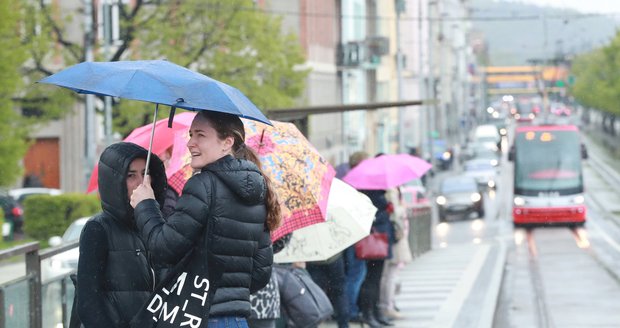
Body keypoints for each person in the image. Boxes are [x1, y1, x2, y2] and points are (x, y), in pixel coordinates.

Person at [130, 110, 282, 328]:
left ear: (226, 142)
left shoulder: (203, 185)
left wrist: (146, 205)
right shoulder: (258, 192)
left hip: (197, 317)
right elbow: (259, 273)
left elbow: (163, 248)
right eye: (191, 134)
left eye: (200, 135)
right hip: (236, 321)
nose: (191, 143)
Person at [76, 142, 168, 327]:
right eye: (130, 175)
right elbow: (88, 303)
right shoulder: (98, 229)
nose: (141, 182)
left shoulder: (155, 225)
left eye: (145, 173)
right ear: (114, 181)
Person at [341, 151, 369, 324]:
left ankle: (350, 309)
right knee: (355, 274)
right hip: (354, 234)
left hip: (351, 234)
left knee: (355, 274)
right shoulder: (357, 183)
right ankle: (351, 310)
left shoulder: (347, 181)